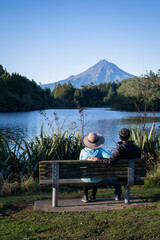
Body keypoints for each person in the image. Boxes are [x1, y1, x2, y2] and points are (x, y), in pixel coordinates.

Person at [88, 128, 141, 200]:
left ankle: (118, 194)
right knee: (120, 173)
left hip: (121, 175)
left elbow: (110, 161)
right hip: (133, 175)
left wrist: (97, 159)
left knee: (117, 174)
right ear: (129, 136)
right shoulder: (136, 148)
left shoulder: (120, 148)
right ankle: (121, 193)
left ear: (119, 136)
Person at [79, 132, 111, 202]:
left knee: (85, 173)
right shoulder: (101, 151)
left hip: (85, 177)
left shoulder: (82, 152)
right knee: (96, 174)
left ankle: (85, 196)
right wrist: (99, 159)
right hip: (97, 177)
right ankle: (93, 196)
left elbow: (80, 164)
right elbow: (110, 157)